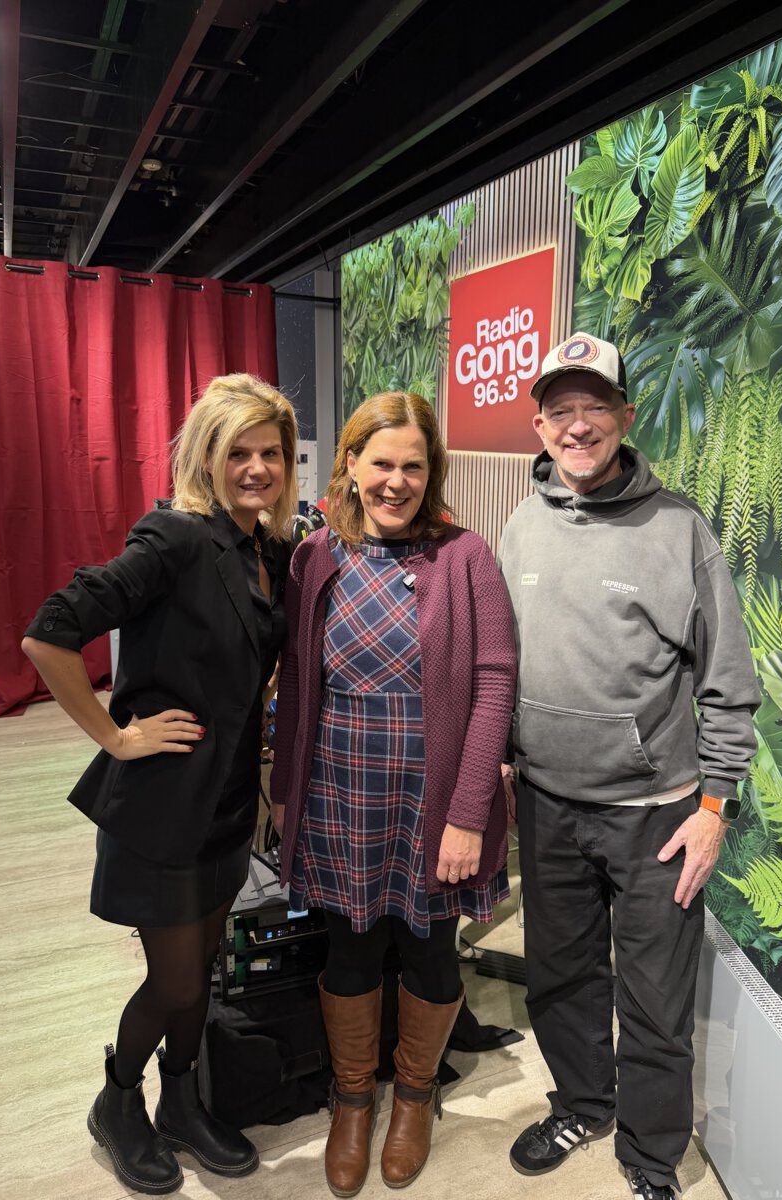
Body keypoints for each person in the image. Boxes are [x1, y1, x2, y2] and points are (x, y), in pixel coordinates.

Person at [22, 374, 299, 1196]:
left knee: (204, 964)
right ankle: (118, 1102)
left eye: (271, 453)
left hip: (227, 800)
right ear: (207, 457)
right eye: (238, 452)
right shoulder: (174, 537)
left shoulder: (268, 551)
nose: (256, 468)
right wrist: (115, 736)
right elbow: (48, 634)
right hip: (161, 803)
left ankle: (182, 1102)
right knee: (175, 980)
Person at [498, 333, 760, 1200]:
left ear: (625, 416)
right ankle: (583, 1104)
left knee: (653, 999)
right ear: (540, 426)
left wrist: (713, 811)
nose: (578, 425)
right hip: (548, 805)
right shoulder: (522, 524)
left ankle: (650, 1158)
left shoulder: (679, 530)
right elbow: (505, 664)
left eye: (595, 406)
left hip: (657, 815)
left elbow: (729, 686)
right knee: (560, 978)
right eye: (561, 411)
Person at [270, 391, 516, 1197]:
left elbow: (494, 687)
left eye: (413, 466)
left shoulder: (466, 557)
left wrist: (468, 813)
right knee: (347, 945)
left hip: (431, 796)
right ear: (350, 464)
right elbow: (296, 680)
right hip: (340, 786)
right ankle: (352, 1099)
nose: (396, 482)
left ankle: (413, 1095)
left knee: (428, 948)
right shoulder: (316, 557)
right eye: (381, 463)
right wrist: (283, 789)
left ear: (430, 472)